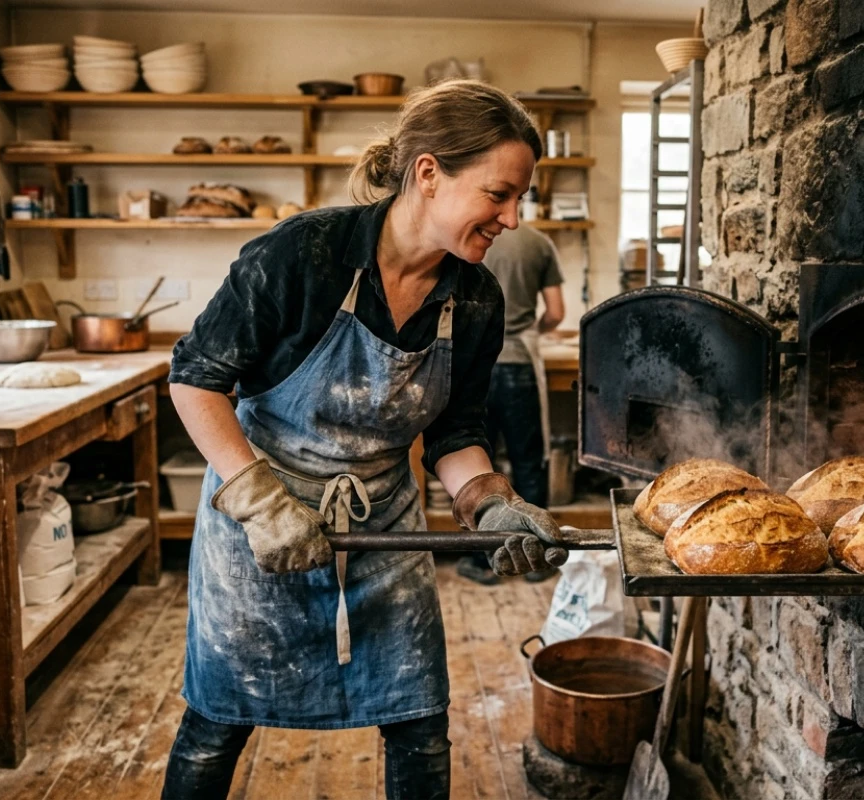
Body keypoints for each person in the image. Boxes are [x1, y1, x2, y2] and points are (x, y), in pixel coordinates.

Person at [161, 80, 569, 800]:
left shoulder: (473, 298)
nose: (511, 218)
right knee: (218, 719)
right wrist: (259, 500)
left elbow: (455, 434)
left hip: (383, 528)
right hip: (260, 523)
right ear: (428, 173)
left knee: (418, 720)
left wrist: (489, 503)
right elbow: (195, 380)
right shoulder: (302, 255)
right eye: (499, 194)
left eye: (520, 201)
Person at [456, 224, 564, 585]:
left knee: (478, 462)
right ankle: (537, 560)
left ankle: (480, 561)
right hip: (519, 361)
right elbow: (556, 311)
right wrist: (532, 328)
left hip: (475, 364)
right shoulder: (539, 243)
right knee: (528, 461)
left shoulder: (468, 236)